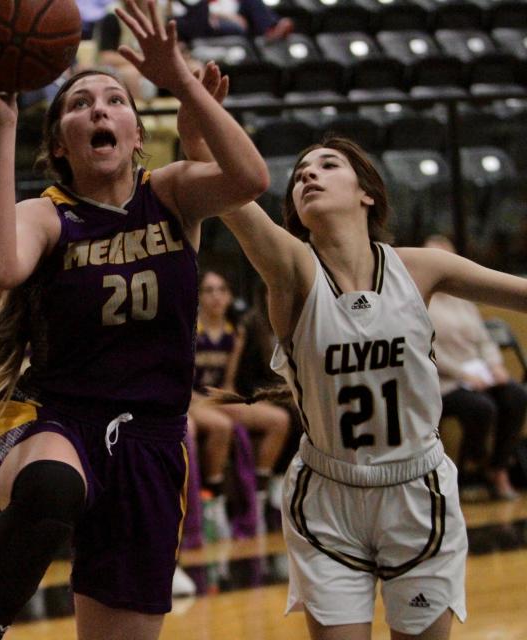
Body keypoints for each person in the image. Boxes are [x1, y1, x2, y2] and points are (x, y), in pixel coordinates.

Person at [0, 0, 269, 635]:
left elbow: (249, 178)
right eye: (80, 105)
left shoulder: (171, 194)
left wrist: (182, 80)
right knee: (52, 486)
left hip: (152, 439)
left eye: (115, 101)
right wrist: (2, 128)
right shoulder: (49, 212)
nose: (99, 110)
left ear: (137, 134)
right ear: (60, 143)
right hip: (52, 415)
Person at [194, 120, 527, 635]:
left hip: (417, 489)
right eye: (300, 173)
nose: (308, 175)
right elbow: (223, 186)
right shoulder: (292, 272)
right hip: (330, 496)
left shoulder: (420, 268)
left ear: (367, 193)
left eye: (327, 166)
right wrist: (192, 105)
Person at [424, 234, 525, 501]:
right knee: (482, 408)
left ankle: (498, 467)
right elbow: (426, 350)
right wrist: (461, 374)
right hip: (445, 381)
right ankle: (471, 469)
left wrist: (496, 365)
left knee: (515, 395)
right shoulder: (421, 300)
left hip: (478, 374)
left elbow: (483, 338)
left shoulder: (463, 299)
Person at [190, 269, 290, 537]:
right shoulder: (190, 330)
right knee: (222, 426)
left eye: (221, 290)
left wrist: (237, 402)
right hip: (191, 401)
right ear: (199, 296)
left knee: (279, 419)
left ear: (230, 296)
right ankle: (215, 503)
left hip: (217, 399)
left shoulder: (235, 333)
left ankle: (258, 496)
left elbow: (229, 383)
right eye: (209, 290)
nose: (216, 296)